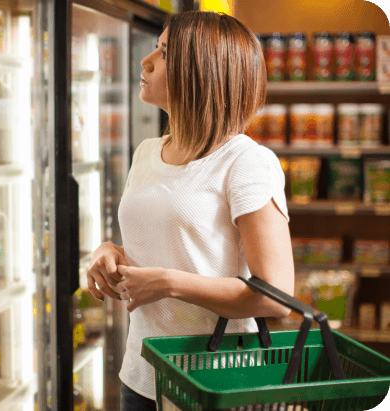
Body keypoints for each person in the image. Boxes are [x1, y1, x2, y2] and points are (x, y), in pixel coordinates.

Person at [86, 10, 294, 411]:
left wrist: (167, 283)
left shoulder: (246, 161)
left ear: (201, 71)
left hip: (216, 382)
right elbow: (166, 245)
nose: (146, 61)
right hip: (143, 375)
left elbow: (276, 295)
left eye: (164, 53)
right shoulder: (147, 152)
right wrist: (108, 251)